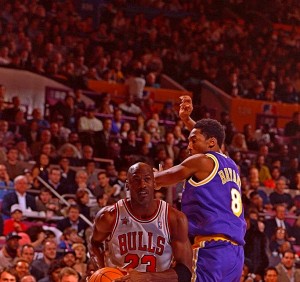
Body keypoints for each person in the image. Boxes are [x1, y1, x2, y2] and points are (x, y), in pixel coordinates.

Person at [154, 95, 246, 281]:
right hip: (235, 254)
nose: (188, 147)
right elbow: (212, 141)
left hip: (210, 248)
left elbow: (158, 180)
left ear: (211, 142)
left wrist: (155, 177)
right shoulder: (231, 164)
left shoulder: (201, 161)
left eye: (193, 140)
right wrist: (187, 121)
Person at [89, 162, 192, 282]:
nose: (142, 185)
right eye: (136, 180)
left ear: (154, 183)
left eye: (147, 179)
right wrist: (101, 272)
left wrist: (147, 277)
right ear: (127, 185)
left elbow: (185, 272)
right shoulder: (109, 216)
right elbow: (95, 244)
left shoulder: (174, 218)